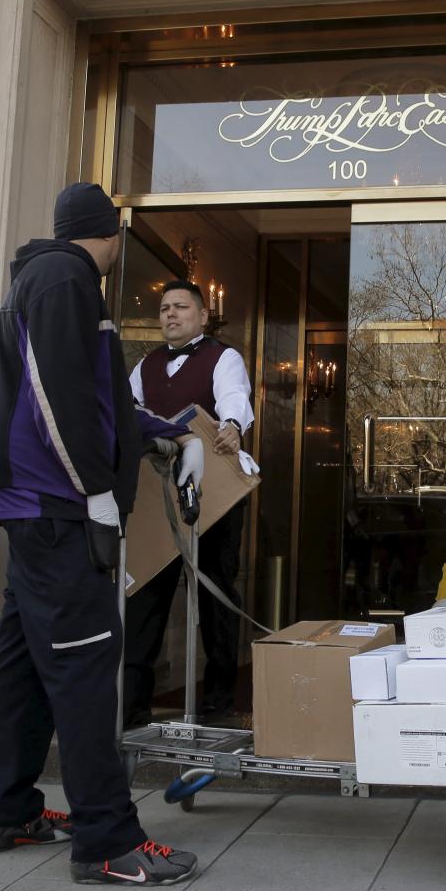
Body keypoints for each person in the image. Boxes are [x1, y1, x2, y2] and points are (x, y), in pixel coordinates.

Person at [0, 182, 202, 887]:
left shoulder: (46, 278)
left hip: (33, 502)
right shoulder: (66, 279)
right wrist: (98, 491)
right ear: (109, 235)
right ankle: (106, 840)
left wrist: (174, 430)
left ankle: (5, 810)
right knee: (86, 662)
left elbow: (97, 401)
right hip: (55, 504)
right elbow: (59, 397)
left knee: (22, 661)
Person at [123, 279, 254, 727]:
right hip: (158, 494)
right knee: (146, 595)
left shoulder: (224, 357)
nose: (170, 315)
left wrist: (233, 423)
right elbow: (126, 413)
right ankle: (132, 704)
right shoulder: (145, 366)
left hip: (211, 490)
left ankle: (219, 702)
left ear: (201, 315)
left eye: (180, 307)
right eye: (163, 308)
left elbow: (234, 397)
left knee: (215, 592)